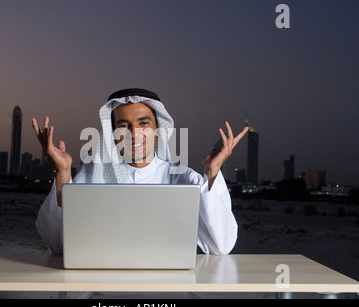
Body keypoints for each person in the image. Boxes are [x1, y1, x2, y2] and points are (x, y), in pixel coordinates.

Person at [32, 88, 248, 256]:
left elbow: (221, 246)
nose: (134, 133)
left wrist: (212, 172)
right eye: (123, 125)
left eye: (143, 123)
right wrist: (62, 173)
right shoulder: (91, 177)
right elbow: (58, 245)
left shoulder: (184, 178)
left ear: (157, 130)